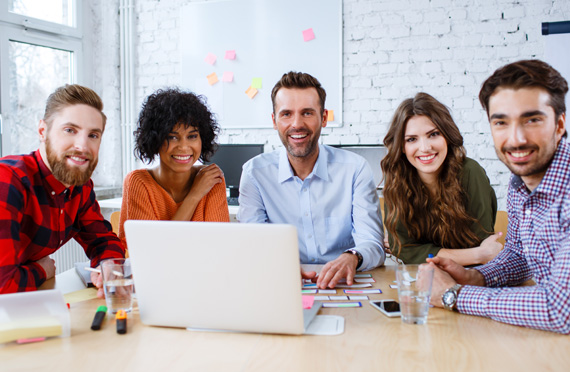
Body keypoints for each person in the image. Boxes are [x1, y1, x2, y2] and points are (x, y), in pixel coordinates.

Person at [429, 59, 570, 335]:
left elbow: (565, 309)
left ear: (559, 125)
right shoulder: (520, 182)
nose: (516, 139)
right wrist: (475, 277)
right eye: (501, 122)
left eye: (532, 120)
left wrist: (455, 295)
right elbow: (520, 254)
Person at [238, 71, 385, 289]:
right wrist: (279, 264)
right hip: (282, 283)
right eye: (286, 114)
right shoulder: (255, 174)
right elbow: (253, 243)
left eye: (307, 113)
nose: (297, 124)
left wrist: (352, 256)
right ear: (274, 120)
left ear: (323, 117)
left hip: (346, 283)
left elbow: (372, 243)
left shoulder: (355, 169)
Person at [0, 84, 125, 294]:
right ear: (43, 131)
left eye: (93, 135)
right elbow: (3, 284)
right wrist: (42, 269)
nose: (83, 146)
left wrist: (109, 266)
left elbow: (102, 239)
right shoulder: (8, 181)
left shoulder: (80, 186)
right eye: (70, 130)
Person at [382, 92, 501, 266]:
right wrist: (477, 255)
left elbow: (483, 243)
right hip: (421, 278)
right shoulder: (396, 179)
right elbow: (403, 249)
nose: (425, 148)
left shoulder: (470, 173)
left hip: (470, 277)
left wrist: (420, 252)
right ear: (401, 146)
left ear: (447, 135)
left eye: (433, 134)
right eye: (412, 139)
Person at [118, 88, 229, 248]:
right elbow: (151, 252)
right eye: (172, 137)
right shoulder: (138, 182)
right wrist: (194, 195)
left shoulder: (211, 179)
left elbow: (217, 247)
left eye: (192, 136)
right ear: (155, 140)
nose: (184, 147)